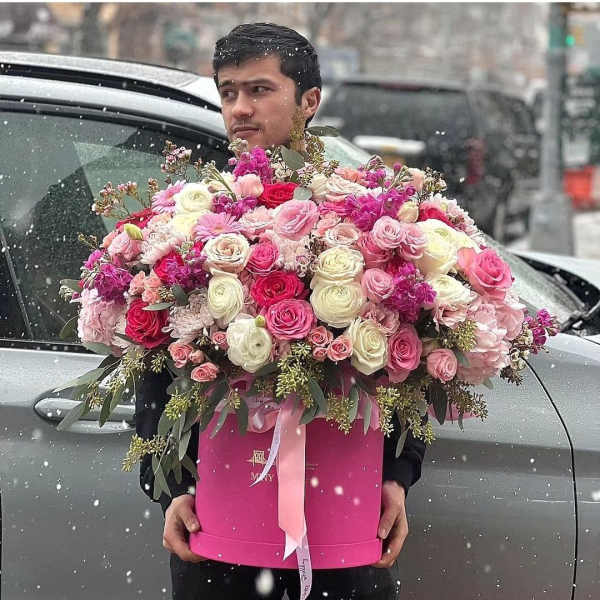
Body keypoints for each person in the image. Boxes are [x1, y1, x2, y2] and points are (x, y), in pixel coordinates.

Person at [135, 22, 427, 600]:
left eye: (259, 90)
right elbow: (155, 367)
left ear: (309, 101)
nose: (240, 108)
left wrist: (397, 477)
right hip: (221, 531)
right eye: (228, 92)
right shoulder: (191, 224)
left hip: (343, 526)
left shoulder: (364, 217)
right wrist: (170, 490)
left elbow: (408, 359)